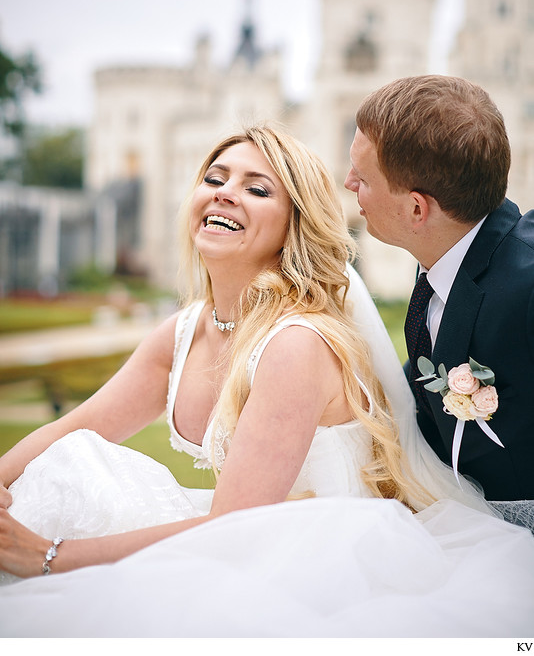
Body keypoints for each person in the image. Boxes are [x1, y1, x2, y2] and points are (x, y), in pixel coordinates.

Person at [0, 123, 533, 638]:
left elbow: (230, 529)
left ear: (293, 226)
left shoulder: (295, 345)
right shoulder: (183, 331)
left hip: (324, 578)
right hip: (246, 549)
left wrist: (47, 556)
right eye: (214, 178)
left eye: (256, 189)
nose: (225, 193)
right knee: (66, 471)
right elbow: (78, 428)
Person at [345, 74, 534, 509]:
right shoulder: (443, 253)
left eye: (362, 177)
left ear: (417, 208)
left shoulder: (527, 286)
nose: (348, 183)